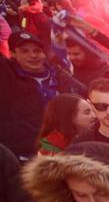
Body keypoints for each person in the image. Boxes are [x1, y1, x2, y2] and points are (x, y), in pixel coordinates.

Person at [1, 31, 85, 160]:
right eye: (25, 51)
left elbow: (85, 94)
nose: (33, 55)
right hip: (24, 156)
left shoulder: (58, 74)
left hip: (65, 150)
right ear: (12, 54)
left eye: (37, 51)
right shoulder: (7, 77)